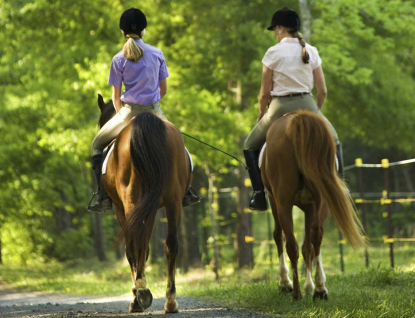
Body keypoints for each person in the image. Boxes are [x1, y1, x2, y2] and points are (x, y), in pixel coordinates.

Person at [87, 8, 200, 212]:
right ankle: (187, 190)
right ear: (144, 30)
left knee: (96, 145)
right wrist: (153, 103)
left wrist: (122, 115)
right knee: (179, 145)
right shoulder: (157, 54)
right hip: (154, 110)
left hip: (128, 112)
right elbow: (163, 89)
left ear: (123, 32)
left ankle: (101, 196)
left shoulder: (118, 59)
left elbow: (115, 97)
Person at [243, 7, 343, 211]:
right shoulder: (311, 51)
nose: (274, 33)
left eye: (274, 29)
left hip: (279, 106)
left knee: (249, 145)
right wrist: (316, 111)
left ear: (280, 29)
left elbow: (264, 94)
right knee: (335, 141)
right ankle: (341, 188)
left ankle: (259, 194)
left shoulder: (273, 52)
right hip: (308, 103)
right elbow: (322, 90)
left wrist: (261, 114)